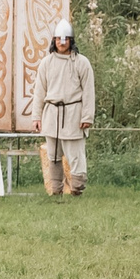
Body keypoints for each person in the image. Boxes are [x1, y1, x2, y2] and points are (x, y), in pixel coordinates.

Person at [28, 19, 95, 197]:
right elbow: (39, 91)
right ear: (54, 40)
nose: (62, 42)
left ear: (71, 41)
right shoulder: (46, 63)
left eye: (65, 39)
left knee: (75, 154)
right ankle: (56, 190)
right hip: (52, 114)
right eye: (58, 39)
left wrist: (87, 116)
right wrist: (36, 117)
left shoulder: (82, 63)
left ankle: (77, 189)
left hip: (74, 114)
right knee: (54, 155)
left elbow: (88, 91)